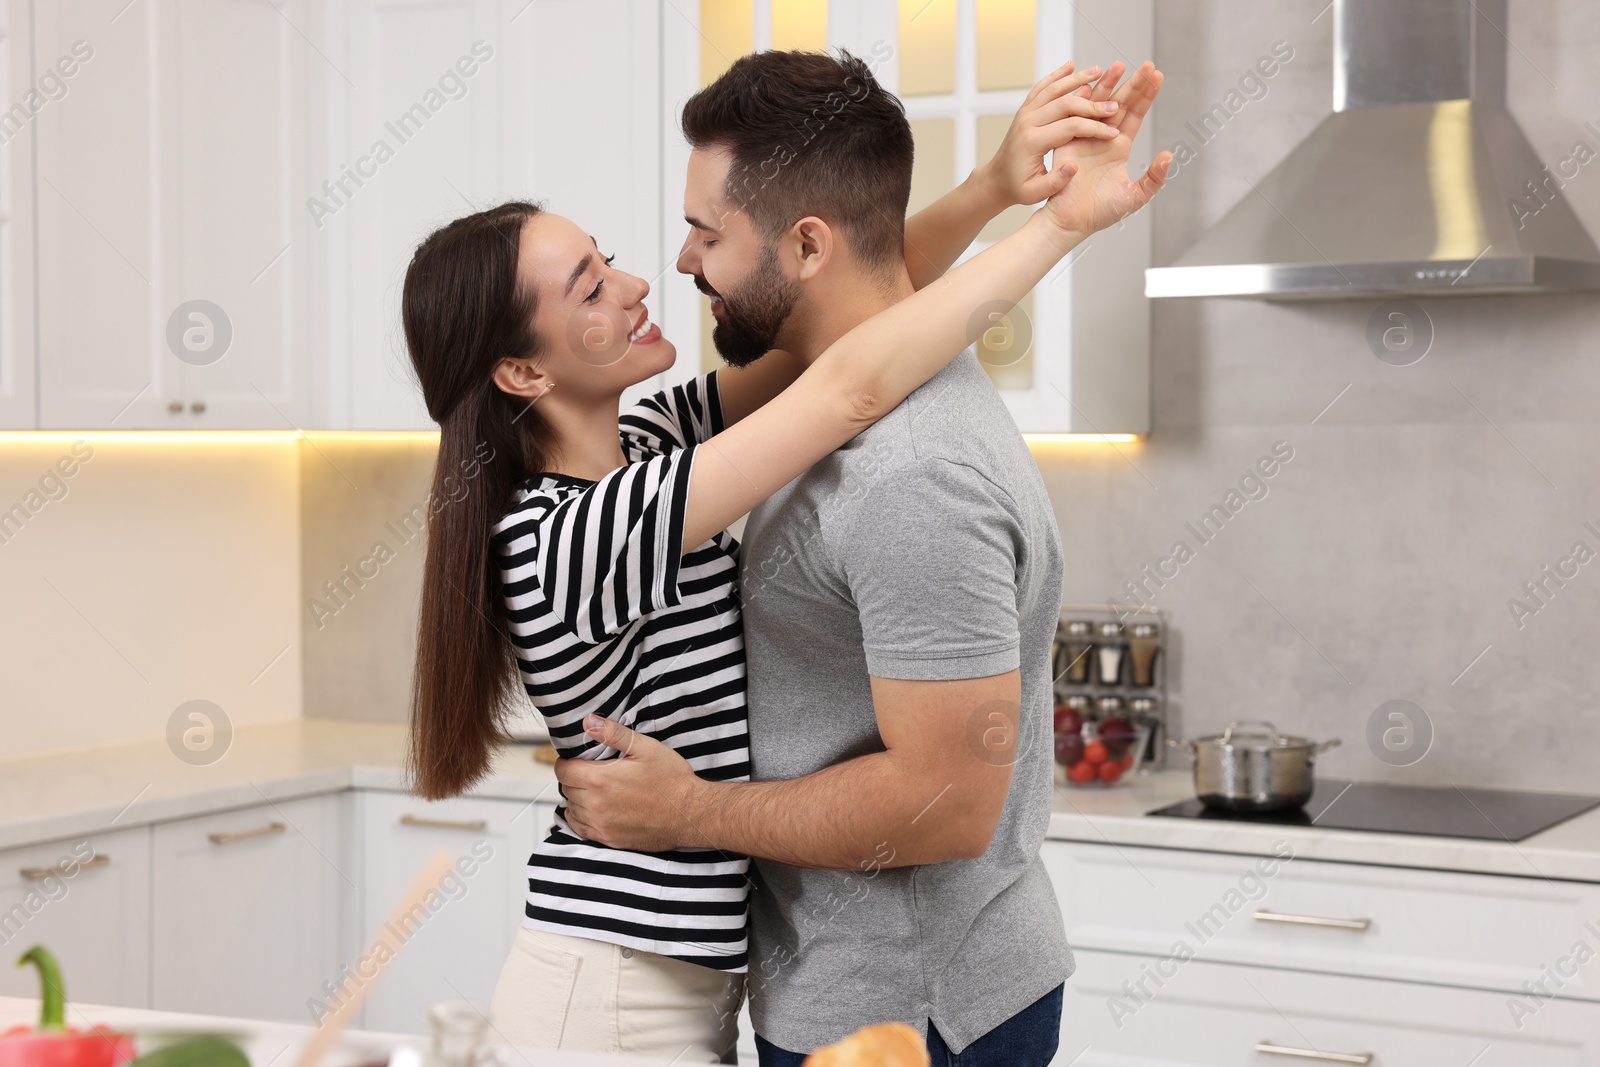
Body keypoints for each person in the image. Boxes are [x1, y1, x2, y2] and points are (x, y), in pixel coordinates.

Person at [400, 51, 1152, 1064]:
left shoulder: (660, 438)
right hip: (613, 988)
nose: (644, 277)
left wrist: (991, 191)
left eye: (618, 254)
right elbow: (843, 384)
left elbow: (848, 315)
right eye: (588, 286)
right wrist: (1055, 228)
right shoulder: (571, 532)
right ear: (525, 368)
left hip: (686, 977)